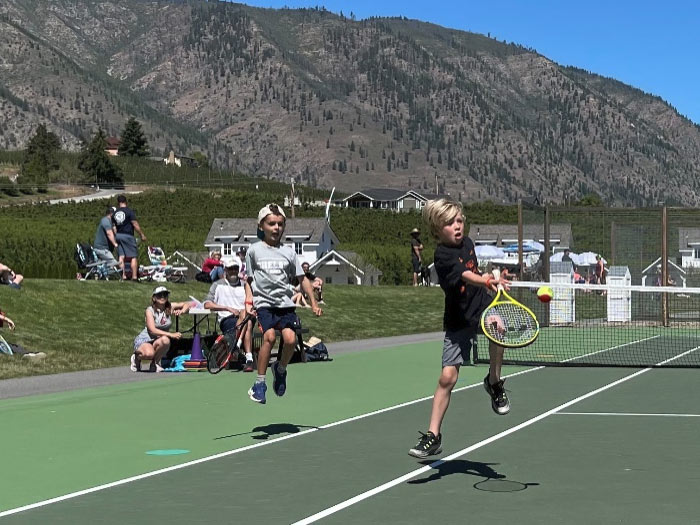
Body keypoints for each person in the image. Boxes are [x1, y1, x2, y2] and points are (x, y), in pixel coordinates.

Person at [408, 198, 511, 459]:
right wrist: (486, 279)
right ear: (436, 229)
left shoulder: (468, 244)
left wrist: (491, 280)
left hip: (481, 306)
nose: (457, 226)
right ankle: (433, 436)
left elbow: (474, 271)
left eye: (459, 220)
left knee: (499, 327)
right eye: (449, 223)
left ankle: (494, 381)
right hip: (458, 318)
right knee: (447, 378)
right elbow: (466, 275)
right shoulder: (442, 256)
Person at [244, 204, 322, 404]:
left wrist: (313, 303)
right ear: (261, 226)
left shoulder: (289, 253)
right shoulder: (253, 251)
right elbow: (249, 281)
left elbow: (303, 279)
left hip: (285, 305)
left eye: (280, 224)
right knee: (268, 337)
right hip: (264, 305)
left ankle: (280, 369)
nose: (276, 228)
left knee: (290, 340)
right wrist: (248, 301)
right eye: (271, 224)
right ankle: (259, 384)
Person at [203, 257, 255, 372]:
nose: (233, 271)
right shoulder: (217, 285)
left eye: (235, 268)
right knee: (248, 323)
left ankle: (237, 345)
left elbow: (252, 302)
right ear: (225, 269)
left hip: (245, 316)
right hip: (227, 319)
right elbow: (207, 304)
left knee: (245, 315)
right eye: (230, 269)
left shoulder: (245, 285)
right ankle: (249, 359)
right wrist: (227, 308)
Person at [131, 286, 189, 372]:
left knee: (165, 341)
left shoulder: (170, 307)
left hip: (159, 339)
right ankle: (136, 357)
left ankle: (155, 363)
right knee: (148, 354)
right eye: (159, 295)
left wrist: (182, 311)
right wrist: (171, 334)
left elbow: (186, 304)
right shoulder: (149, 310)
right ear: (154, 298)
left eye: (165, 295)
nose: (162, 297)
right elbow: (152, 330)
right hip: (146, 339)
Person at [113, 195, 147, 281]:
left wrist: (116, 236)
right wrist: (141, 234)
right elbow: (134, 224)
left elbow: (114, 227)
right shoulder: (129, 212)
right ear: (126, 202)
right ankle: (134, 276)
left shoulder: (115, 213)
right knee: (133, 256)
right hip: (128, 235)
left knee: (121, 256)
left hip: (118, 235)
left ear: (118, 202)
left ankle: (123, 275)